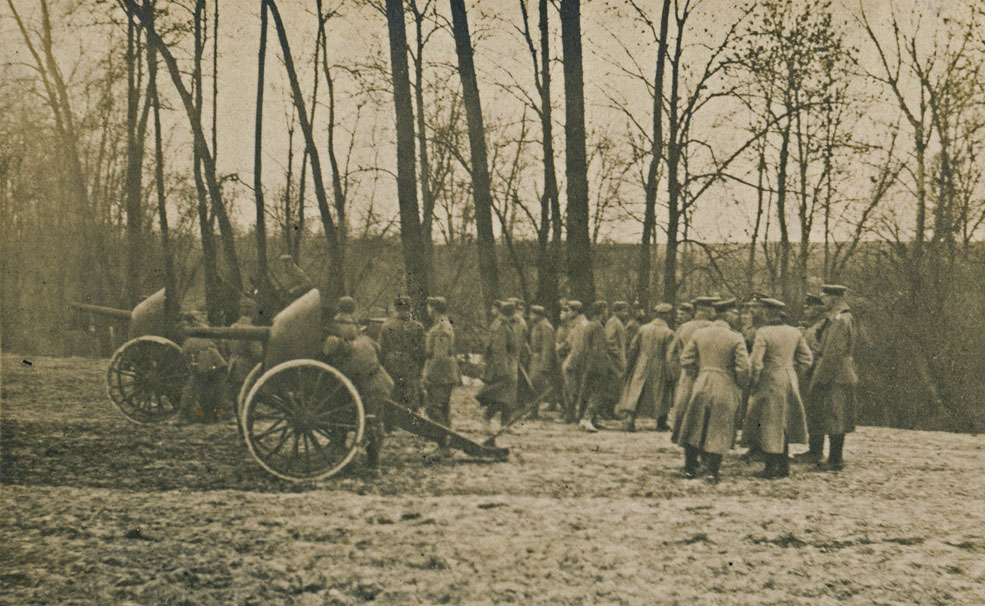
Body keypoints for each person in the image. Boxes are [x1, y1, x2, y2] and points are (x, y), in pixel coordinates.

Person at [673, 298, 750, 483]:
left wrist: (699, 372)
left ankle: (690, 468)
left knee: (695, 424)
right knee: (719, 427)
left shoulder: (700, 334)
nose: (737, 317)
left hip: (701, 382)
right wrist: (740, 383)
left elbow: (685, 359)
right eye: (734, 313)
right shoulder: (735, 337)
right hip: (725, 383)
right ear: (726, 315)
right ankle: (712, 471)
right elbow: (744, 368)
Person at [742, 298, 814, 478]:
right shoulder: (794, 332)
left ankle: (771, 467)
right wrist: (794, 371)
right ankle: (783, 466)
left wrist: (753, 381)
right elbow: (807, 359)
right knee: (784, 421)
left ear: (767, 313)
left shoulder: (763, 332)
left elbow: (755, 362)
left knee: (769, 422)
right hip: (789, 378)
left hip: (770, 378)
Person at [322, 327, 393, 470]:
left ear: (344, 345)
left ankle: (374, 465)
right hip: (383, 378)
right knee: (372, 422)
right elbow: (379, 350)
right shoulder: (364, 340)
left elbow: (343, 376)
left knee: (373, 424)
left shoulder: (351, 363)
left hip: (375, 389)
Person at [806, 284, 858, 471]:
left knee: (835, 415)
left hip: (835, 373)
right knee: (834, 414)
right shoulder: (840, 317)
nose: (823, 301)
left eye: (825, 298)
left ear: (834, 298)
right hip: (838, 372)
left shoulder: (839, 320)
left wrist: (821, 377)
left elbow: (833, 352)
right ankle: (834, 457)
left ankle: (835, 459)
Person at [617, 303, 680, 432]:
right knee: (661, 392)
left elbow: (633, 348)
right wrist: (672, 374)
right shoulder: (669, 333)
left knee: (637, 390)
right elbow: (670, 355)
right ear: (666, 316)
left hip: (642, 362)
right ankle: (661, 421)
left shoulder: (643, 329)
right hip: (660, 365)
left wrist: (630, 365)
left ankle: (630, 419)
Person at [669, 296, 718, 428]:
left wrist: (676, 371)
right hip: (708, 371)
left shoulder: (684, 327)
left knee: (683, 401)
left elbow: (672, 352)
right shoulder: (714, 328)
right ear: (709, 310)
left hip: (687, 370)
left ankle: (680, 428)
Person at [379, 295, 426, 423]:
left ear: (395, 308)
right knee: (410, 393)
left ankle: (390, 423)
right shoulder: (417, 327)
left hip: (391, 363)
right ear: (410, 308)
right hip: (410, 363)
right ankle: (410, 422)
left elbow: (381, 349)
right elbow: (423, 351)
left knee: (392, 392)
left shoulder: (386, 326)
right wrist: (419, 366)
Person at [476, 301, 518, 432]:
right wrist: (502, 370)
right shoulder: (501, 326)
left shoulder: (505, 324)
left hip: (508, 363)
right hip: (503, 366)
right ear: (511, 313)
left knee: (508, 397)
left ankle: (505, 424)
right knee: (498, 397)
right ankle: (486, 419)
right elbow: (498, 350)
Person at [571, 301, 611, 432]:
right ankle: (587, 419)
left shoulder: (589, 325)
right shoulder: (598, 326)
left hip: (588, 364)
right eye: (606, 310)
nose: (607, 313)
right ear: (601, 312)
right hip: (597, 365)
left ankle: (586, 418)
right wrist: (603, 365)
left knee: (586, 391)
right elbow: (598, 349)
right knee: (597, 393)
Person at [422, 296, 460, 429]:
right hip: (446, 374)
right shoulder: (444, 324)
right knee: (443, 408)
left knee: (434, 408)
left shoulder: (441, 328)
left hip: (440, 375)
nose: (428, 310)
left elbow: (440, 356)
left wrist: (429, 376)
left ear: (434, 309)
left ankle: (442, 438)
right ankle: (447, 436)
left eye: (429, 307)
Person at [560, 300, 589, 423]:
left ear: (576, 311)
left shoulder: (580, 326)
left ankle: (572, 415)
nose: (568, 313)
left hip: (576, 362)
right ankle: (572, 414)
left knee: (573, 390)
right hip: (578, 361)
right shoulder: (578, 324)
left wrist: (569, 364)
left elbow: (577, 348)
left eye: (570, 310)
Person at [527, 305, 556, 419]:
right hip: (535, 359)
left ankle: (534, 411)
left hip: (540, 360)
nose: (530, 316)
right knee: (534, 385)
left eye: (532, 314)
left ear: (538, 315)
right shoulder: (537, 325)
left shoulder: (546, 327)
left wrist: (544, 365)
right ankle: (534, 411)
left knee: (538, 385)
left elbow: (547, 348)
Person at [601, 301, 629, 420]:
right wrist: (617, 354)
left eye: (626, 310)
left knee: (616, 385)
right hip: (612, 359)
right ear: (616, 311)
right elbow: (609, 340)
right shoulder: (613, 322)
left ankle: (610, 410)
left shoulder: (618, 322)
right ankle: (606, 411)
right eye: (623, 310)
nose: (625, 313)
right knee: (611, 385)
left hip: (617, 358)